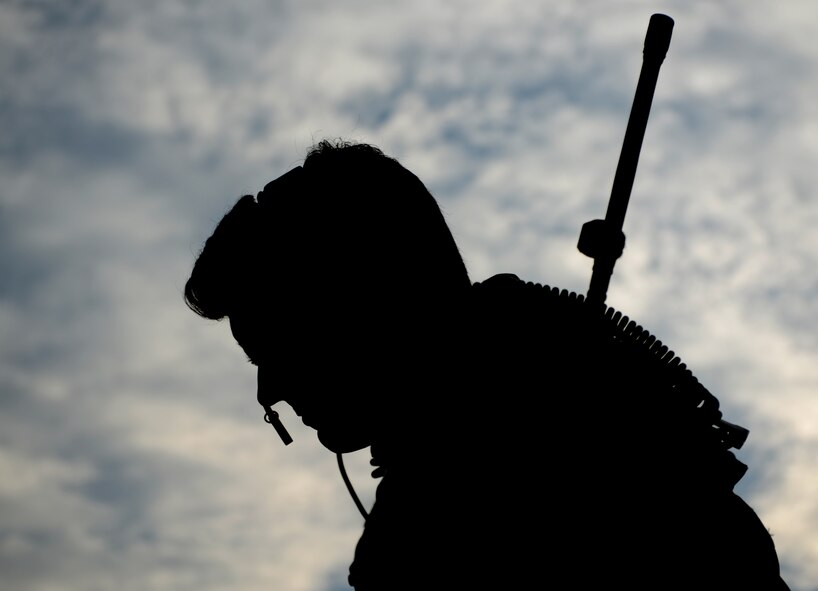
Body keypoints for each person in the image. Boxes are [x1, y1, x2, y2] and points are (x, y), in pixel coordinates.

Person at [184, 138, 790, 590]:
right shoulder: (599, 408)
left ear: (370, 303)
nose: (274, 388)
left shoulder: (567, 444)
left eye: (283, 344)